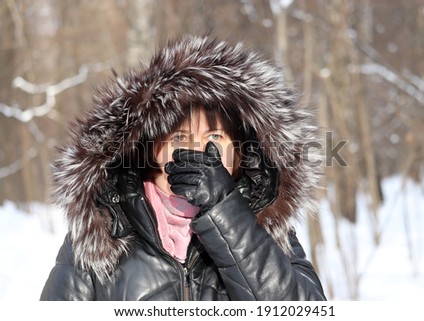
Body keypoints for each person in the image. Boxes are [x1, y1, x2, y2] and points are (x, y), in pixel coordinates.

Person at [40, 35, 326, 301]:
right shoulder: (105, 231)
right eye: (179, 139)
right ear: (151, 150)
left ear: (240, 154)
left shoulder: (264, 226)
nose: (197, 154)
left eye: (214, 138)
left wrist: (225, 210)